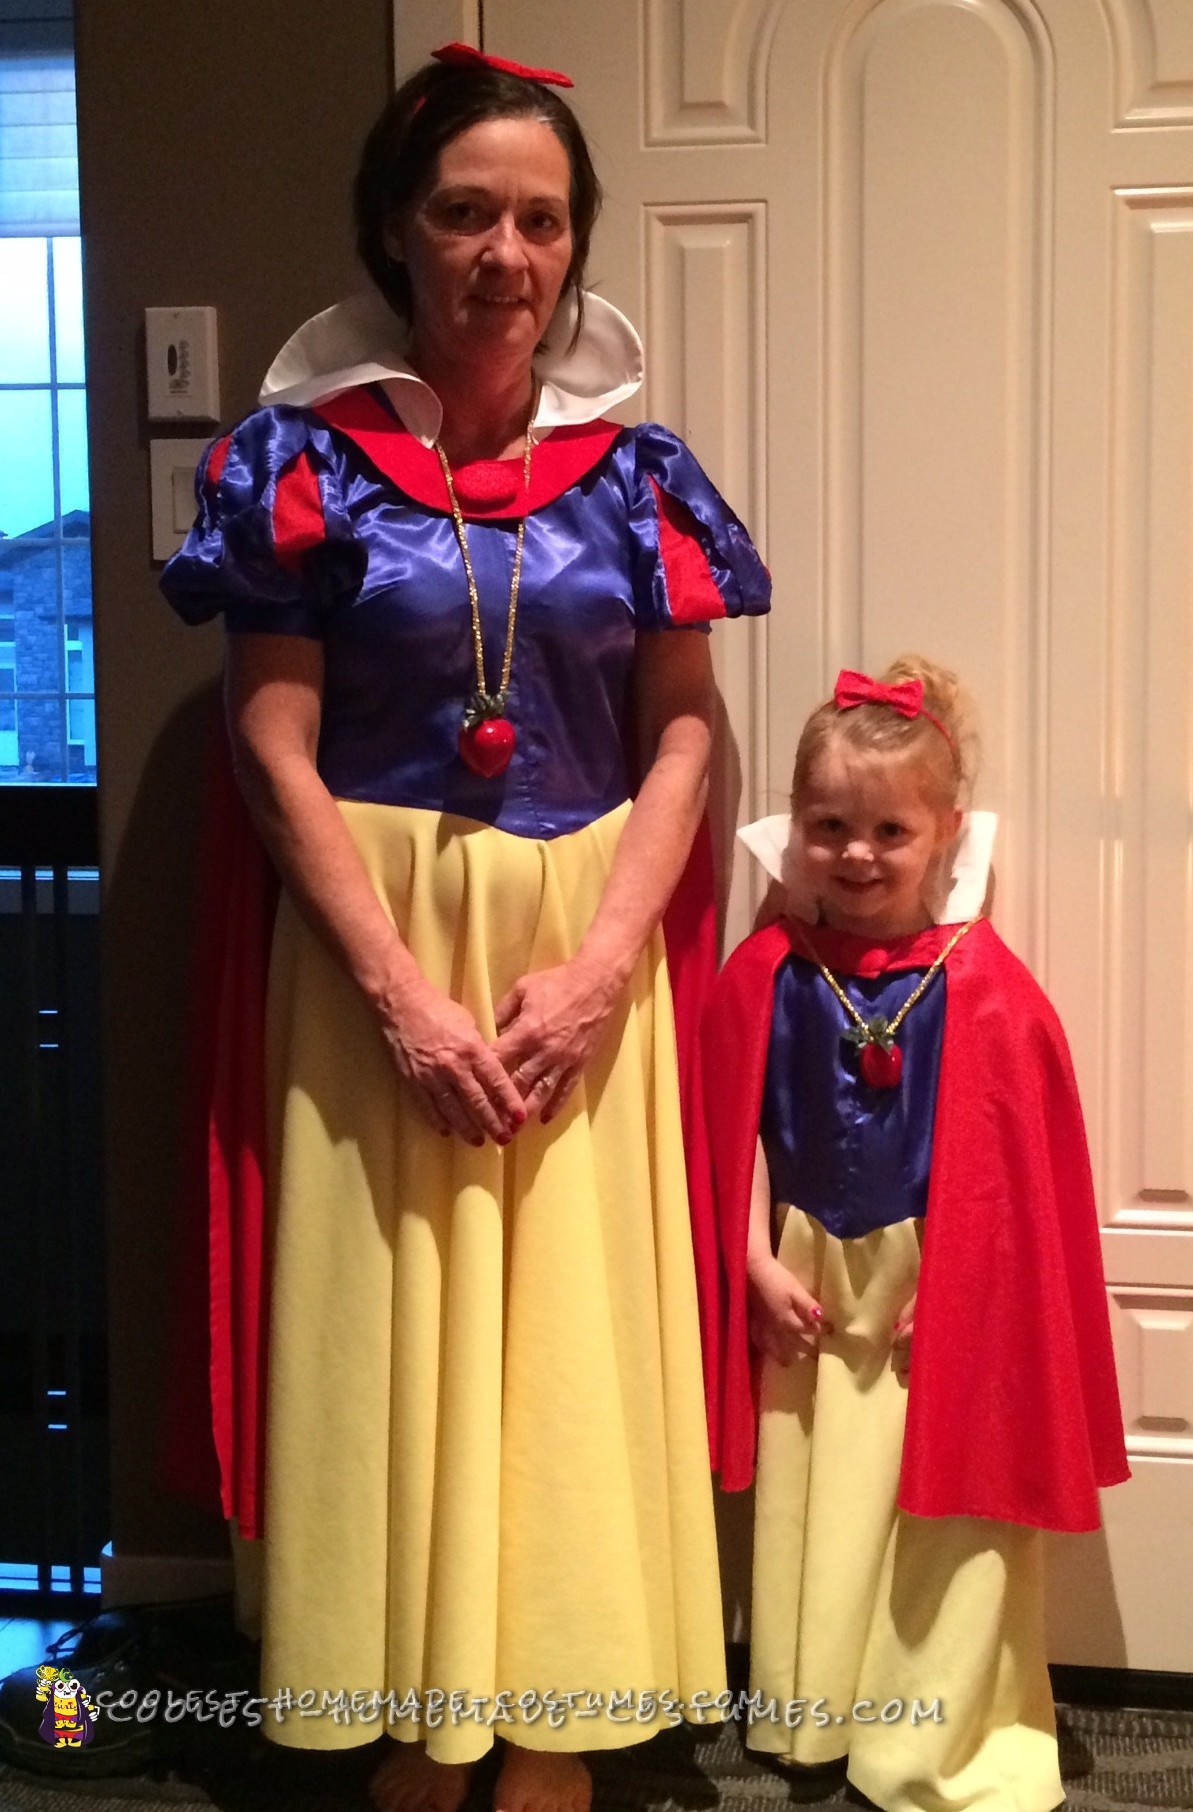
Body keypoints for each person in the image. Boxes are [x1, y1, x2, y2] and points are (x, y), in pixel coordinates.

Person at [161, 43, 770, 1812]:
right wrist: (399, 995)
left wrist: (598, 975)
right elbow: (270, 733)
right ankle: (409, 1718)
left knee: (567, 1348)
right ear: (393, 230)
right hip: (374, 949)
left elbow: (681, 733)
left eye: (539, 219)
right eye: (465, 214)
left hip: (579, 945)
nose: (504, 253)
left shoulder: (637, 474)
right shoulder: (299, 460)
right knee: (388, 1334)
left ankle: (547, 1729)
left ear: (573, 245)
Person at [698, 659, 1128, 1812]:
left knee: (930, 1517)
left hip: (936, 1285)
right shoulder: (770, 971)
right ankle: (816, 1713)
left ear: (942, 831)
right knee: (815, 1504)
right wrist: (745, 1255)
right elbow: (725, 1129)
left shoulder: (983, 984)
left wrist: (965, 1293)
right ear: (797, 830)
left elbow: (1016, 1176)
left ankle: (924, 1732)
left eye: (889, 828)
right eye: (831, 825)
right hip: (802, 1271)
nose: (857, 853)